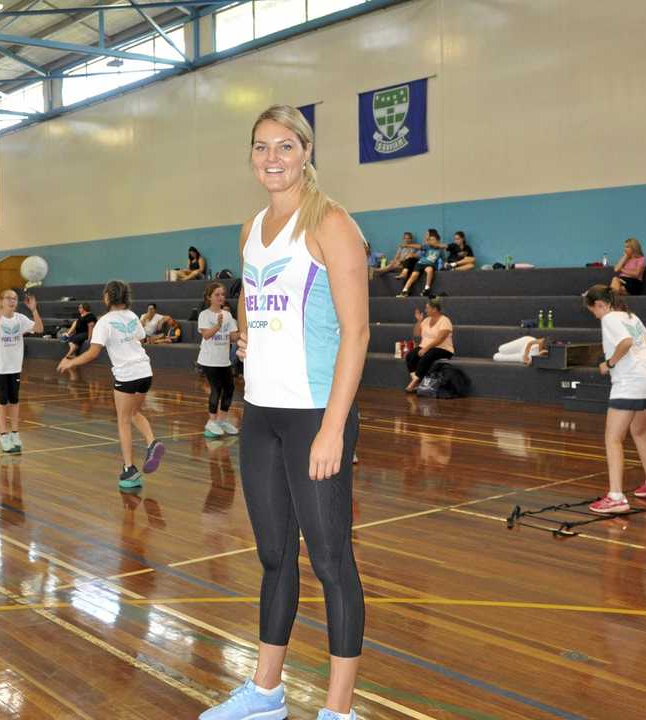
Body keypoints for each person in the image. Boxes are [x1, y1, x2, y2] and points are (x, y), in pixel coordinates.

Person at [201, 105, 367, 720]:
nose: (272, 158)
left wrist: (331, 428)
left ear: (306, 152)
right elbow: (254, 296)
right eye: (261, 147)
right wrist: (249, 334)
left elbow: (358, 332)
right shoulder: (251, 230)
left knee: (330, 561)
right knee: (274, 556)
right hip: (262, 414)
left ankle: (339, 710)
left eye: (285, 147)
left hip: (314, 414)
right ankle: (267, 692)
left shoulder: (332, 224)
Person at [57, 280, 166, 491]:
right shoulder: (133, 316)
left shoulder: (104, 322)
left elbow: (93, 352)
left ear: (107, 297)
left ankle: (130, 470)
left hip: (126, 375)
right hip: (145, 371)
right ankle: (152, 442)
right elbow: (141, 338)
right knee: (134, 413)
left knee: (123, 421)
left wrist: (71, 361)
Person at [583, 284, 646, 514]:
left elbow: (625, 343)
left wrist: (610, 364)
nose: (595, 316)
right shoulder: (631, 317)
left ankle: (616, 496)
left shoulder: (610, 319)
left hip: (630, 382)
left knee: (613, 438)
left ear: (600, 304)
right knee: (639, 432)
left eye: (593, 311)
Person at [0, 289, 43, 454]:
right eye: (8, 298)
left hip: (15, 367)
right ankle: (3, 435)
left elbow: (39, 329)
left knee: (15, 400)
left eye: (14, 298)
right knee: (2, 400)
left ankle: (15, 433)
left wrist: (34, 310)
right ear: (1, 301)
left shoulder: (21, 319)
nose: (12, 301)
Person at [197, 282, 240, 438]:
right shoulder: (204, 315)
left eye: (223, 294)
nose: (221, 297)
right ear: (209, 297)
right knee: (216, 389)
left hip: (224, 360)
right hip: (209, 360)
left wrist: (244, 331)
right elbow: (206, 335)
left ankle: (221, 420)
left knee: (229, 389)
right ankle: (212, 421)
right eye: (217, 294)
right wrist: (218, 325)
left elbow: (233, 337)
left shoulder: (228, 315)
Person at [404, 297, 454, 392]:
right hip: (425, 347)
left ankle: (414, 383)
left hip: (443, 349)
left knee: (427, 356)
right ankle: (416, 380)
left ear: (434, 309)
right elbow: (416, 334)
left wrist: (426, 349)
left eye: (427, 308)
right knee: (410, 356)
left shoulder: (445, 321)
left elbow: (440, 339)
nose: (425, 310)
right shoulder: (426, 320)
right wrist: (419, 321)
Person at [397, 229, 446, 297]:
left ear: (437, 241)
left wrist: (444, 264)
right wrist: (407, 245)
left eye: (432, 240)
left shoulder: (440, 250)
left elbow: (444, 259)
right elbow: (418, 246)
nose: (430, 241)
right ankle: (404, 290)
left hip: (430, 264)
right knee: (414, 275)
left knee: (430, 270)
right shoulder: (427, 247)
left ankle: (427, 288)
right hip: (420, 263)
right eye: (430, 240)